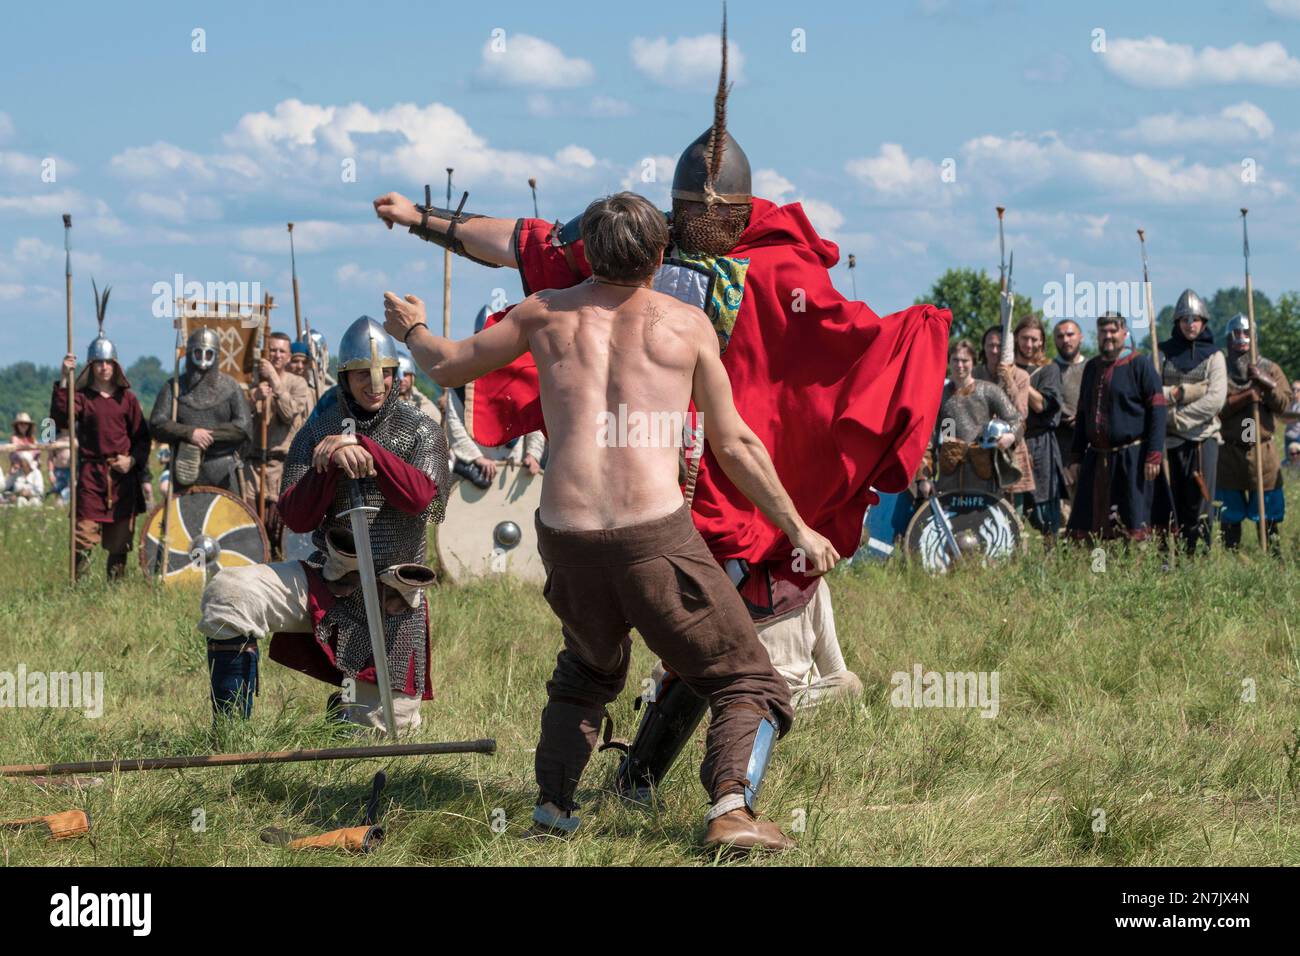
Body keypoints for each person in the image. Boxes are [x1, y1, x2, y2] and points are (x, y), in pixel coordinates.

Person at [372, 16, 950, 820]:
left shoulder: (586, 272)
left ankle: (586, 799)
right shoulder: (659, 267)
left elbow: (515, 251)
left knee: (605, 664)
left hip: (603, 516)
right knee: (743, 666)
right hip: (683, 508)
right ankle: (728, 808)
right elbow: (515, 238)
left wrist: (418, 226)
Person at [385, 191, 842, 851]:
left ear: (587, 253)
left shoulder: (543, 314)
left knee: (589, 668)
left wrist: (411, 328)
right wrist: (798, 528)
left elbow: (448, 365)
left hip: (565, 538)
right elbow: (734, 444)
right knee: (748, 678)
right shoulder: (687, 325)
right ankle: (731, 812)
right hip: (653, 538)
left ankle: (553, 810)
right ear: (659, 257)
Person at [197, 316, 448, 730]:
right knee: (229, 593)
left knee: (382, 732)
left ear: (395, 373)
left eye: (384, 373)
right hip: (329, 579)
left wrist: (366, 447)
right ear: (344, 376)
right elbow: (296, 516)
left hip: (391, 600)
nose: (375, 384)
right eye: (362, 374)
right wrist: (328, 463)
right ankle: (231, 733)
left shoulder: (420, 428)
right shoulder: (319, 427)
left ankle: (342, 711)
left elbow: (422, 499)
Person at [49, 286, 152, 580]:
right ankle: (75, 588)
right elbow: (58, 419)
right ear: (91, 365)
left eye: (108, 362)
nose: (104, 368)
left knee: (120, 541)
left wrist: (131, 462)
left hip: (121, 478)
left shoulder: (127, 399)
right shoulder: (81, 398)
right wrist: (63, 377)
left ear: (115, 364)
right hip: (91, 476)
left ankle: (114, 594)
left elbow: (142, 439)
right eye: (98, 363)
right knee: (82, 536)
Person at [1066, 312, 1166, 542]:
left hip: (1132, 459)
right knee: (1097, 523)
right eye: (1103, 332)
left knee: (1132, 522)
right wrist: (1075, 456)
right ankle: (1100, 572)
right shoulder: (1092, 367)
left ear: (1124, 333)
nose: (1108, 336)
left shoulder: (1140, 364)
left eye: (1113, 331)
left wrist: (1154, 454)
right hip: (1096, 459)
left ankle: (1134, 572)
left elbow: (1158, 411)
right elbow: (1083, 415)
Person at [1151, 290, 1226, 555]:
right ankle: (1166, 558)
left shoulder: (1215, 357)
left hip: (1202, 439)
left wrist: (1175, 418)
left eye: (1195, 319)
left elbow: (1215, 399)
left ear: (1204, 322)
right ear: (1177, 322)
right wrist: (1179, 394)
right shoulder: (1161, 353)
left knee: (1201, 504)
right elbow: (1152, 393)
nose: (1190, 324)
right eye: (1185, 319)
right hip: (1167, 441)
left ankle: (1197, 558)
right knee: (1169, 502)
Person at [1217, 313, 1291, 552]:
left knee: (1268, 517)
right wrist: (1247, 396)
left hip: (1262, 451)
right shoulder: (1221, 369)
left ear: (1254, 337)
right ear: (1228, 339)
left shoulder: (1270, 368)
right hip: (1230, 453)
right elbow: (1218, 408)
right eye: (1236, 333)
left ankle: (1271, 561)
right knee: (1230, 519)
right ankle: (1233, 562)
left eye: (1246, 333)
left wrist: (1266, 384)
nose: (1241, 338)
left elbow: (1285, 405)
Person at [149, 327, 252, 495]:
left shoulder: (231, 387)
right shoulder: (173, 387)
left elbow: (243, 427)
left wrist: (208, 435)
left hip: (222, 470)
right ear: (190, 354)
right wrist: (190, 433)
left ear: (216, 356)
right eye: (198, 353)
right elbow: (157, 423)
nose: (203, 359)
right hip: (185, 468)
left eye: (208, 354)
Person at [244, 331, 311, 544]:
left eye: (282, 351)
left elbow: (288, 413)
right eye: (272, 350)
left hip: (281, 466)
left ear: (289, 356)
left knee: (278, 527)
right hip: (252, 466)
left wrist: (274, 379)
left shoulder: (297, 384)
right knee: (249, 525)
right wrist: (253, 397)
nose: (276, 355)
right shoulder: (252, 382)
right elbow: (238, 418)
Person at [928, 340, 1021, 494]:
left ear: (973, 362)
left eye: (965, 360)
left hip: (983, 471)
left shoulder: (989, 390)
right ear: (949, 361)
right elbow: (928, 439)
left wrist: (1011, 436)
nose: (959, 365)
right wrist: (926, 478)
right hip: (949, 472)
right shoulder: (939, 395)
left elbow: (1016, 420)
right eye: (955, 360)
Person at [1013, 316, 1065, 542]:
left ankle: (1051, 559)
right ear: (1016, 338)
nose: (1029, 344)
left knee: (1045, 511)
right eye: (1025, 338)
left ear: (1042, 342)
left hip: (1040, 444)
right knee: (1013, 505)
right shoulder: (1004, 367)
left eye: (1034, 339)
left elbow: (1041, 405)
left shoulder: (1049, 370)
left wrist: (1018, 379)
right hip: (1011, 443)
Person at [975, 326, 1035, 503]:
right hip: (981, 444)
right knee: (981, 501)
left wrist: (1009, 381)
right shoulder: (975, 374)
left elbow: (1022, 413)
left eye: (999, 346)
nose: (994, 350)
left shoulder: (1021, 376)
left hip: (1011, 444)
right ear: (984, 347)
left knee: (1013, 506)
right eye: (990, 345)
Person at [445, 382, 543, 484]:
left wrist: (533, 454)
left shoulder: (520, 374)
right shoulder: (461, 380)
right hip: (475, 461)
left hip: (513, 459)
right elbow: (454, 423)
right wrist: (477, 458)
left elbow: (534, 419)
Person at [396, 354, 443, 426]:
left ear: (412, 377)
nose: (401, 379)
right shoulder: (381, 402)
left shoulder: (425, 407)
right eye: (397, 375)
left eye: (405, 375)